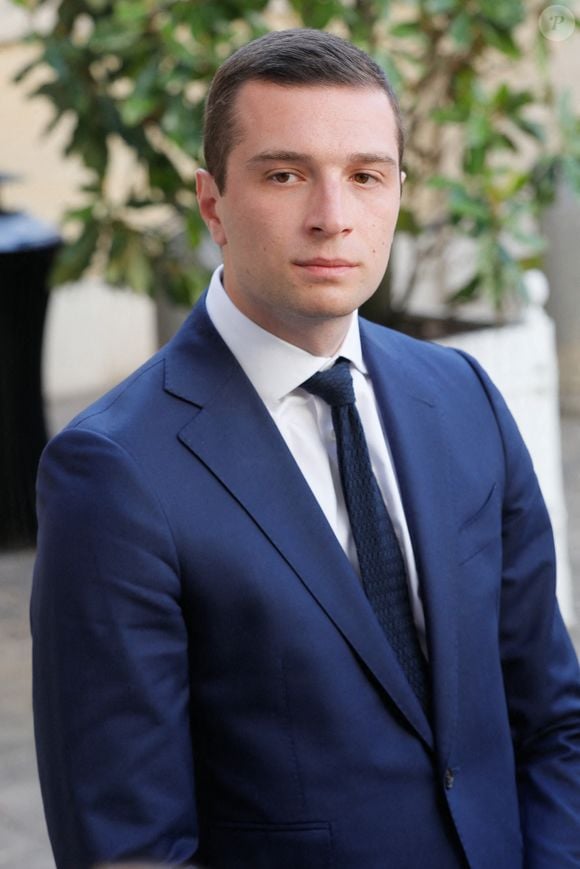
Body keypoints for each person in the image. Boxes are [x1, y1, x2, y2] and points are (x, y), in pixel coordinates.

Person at [31, 28, 580, 869]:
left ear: (399, 190)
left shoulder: (462, 397)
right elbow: (128, 846)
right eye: (285, 175)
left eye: (366, 175)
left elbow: (551, 719)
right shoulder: (114, 472)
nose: (333, 215)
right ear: (212, 204)